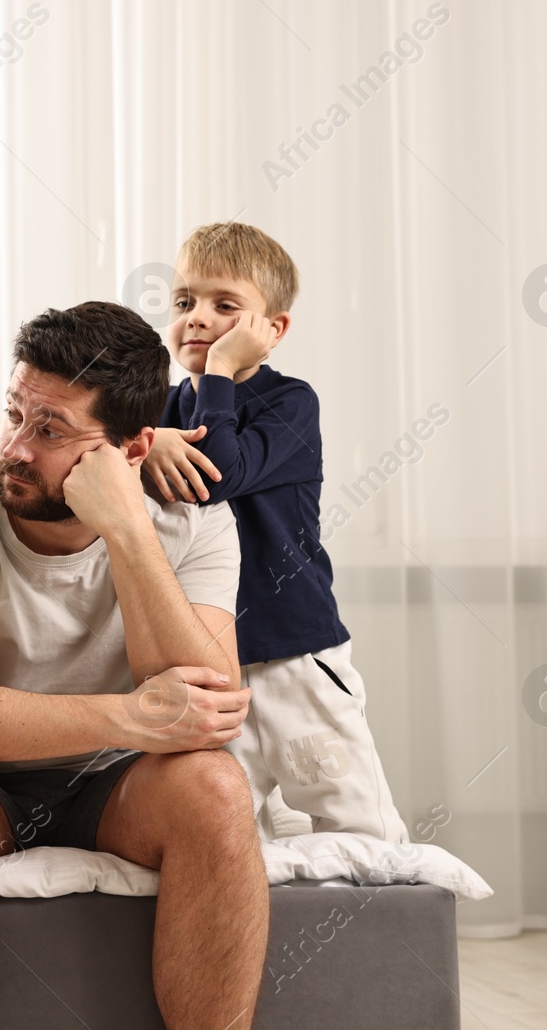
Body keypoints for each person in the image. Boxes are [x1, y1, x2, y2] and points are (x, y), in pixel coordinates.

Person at [0, 301, 269, 1030]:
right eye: (15, 413)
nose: (14, 448)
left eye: (50, 430)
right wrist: (129, 715)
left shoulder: (197, 518)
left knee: (214, 787)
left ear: (132, 449)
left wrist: (127, 528)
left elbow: (209, 711)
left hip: (120, 785)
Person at [143, 220, 407, 841]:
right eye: (184, 302)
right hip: (212, 659)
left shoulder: (291, 403)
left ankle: (379, 926)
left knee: (351, 811)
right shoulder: (164, 410)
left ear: (273, 329)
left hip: (295, 648)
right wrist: (150, 440)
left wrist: (215, 376)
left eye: (224, 306)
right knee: (230, 825)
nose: (197, 318)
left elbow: (218, 473)